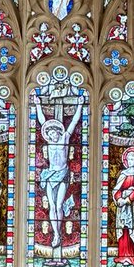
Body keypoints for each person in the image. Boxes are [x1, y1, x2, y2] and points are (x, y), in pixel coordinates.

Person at [36, 99, 82, 250]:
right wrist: (37, 105)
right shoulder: (49, 143)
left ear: (58, 132)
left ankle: (58, 234)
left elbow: (74, 122)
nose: (52, 134)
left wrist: (80, 105)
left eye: (54, 132)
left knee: (59, 204)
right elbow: (43, 121)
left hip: (62, 174)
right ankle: (56, 234)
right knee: (52, 207)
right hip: (50, 175)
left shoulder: (64, 139)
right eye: (49, 133)